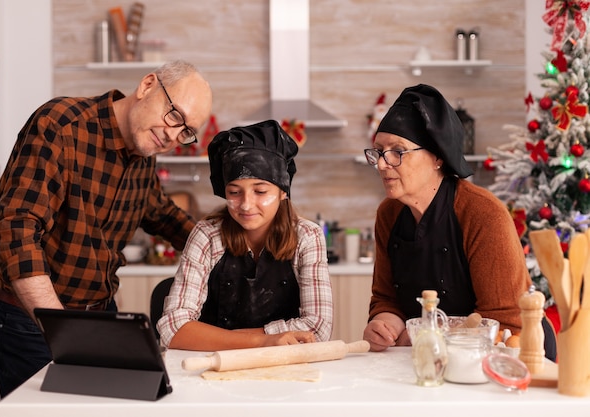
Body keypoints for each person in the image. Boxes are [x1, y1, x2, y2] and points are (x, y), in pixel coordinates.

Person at [0, 60, 213, 397]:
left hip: (101, 317)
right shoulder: (61, 124)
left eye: (186, 131)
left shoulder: (143, 153)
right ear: (147, 85)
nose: (172, 135)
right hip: (32, 323)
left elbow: (161, 214)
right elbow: (17, 232)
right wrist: (63, 331)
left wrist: (227, 241)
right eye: (174, 114)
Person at [361, 84, 556, 360]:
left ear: (437, 157)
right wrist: (384, 324)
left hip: (514, 358)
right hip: (432, 359)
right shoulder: (388, 214)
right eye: (379, 151)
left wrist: (419, 336)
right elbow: (386, 297)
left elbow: (504, 319)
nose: (382, 164)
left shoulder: (482, 214)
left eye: (398, 151)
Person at [156, 119, 333, 351]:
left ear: (283, 192)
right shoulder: (207, 235)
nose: (246, 205)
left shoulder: (307, 236)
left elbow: (317, 329)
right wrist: (265, 340)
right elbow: (172, 329)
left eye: (260, 191)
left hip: (283, 369)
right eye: (234, 192)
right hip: (212, 364)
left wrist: (215, 336)